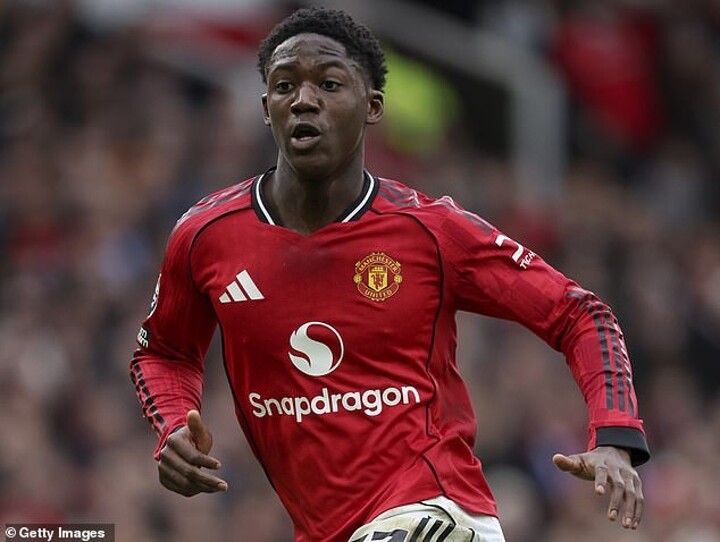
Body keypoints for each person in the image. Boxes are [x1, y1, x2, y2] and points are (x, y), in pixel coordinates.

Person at [130, 7, 649, 541]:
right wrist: (173, 425)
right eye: (284, 86)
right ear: (267, 108)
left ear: (372, 106)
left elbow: (579, 313)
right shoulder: (205, 236)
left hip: (440, 511)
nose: (304, 99)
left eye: (329, 84)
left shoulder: (430, 230)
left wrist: (615, 433)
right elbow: (164, 352)